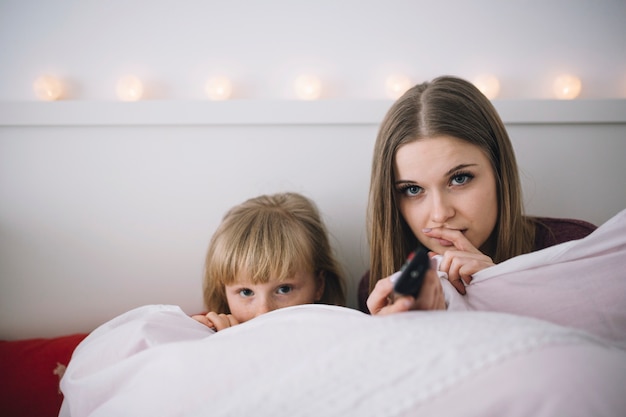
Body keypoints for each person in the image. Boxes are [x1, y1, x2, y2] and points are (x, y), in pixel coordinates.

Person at [360, 75, 596, 314]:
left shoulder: (574, 250)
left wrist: (500, 288)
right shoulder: (380, 289)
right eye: (413, 190)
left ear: (499, 172)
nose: (440, 213)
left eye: (459, 179)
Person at [193, 192, 346, 330]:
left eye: (284, 289)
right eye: (246, 292)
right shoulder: (208, 331)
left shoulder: (339, 336)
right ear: (223, 291)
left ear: (319, 285)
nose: (263, 312)